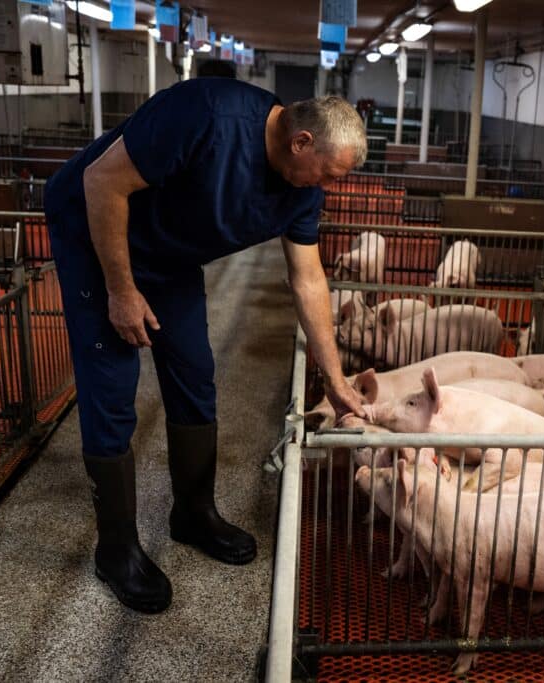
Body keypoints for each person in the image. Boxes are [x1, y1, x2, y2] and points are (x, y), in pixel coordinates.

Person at [44, 78, 366, 613]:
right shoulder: (207, 116)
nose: (328, 186)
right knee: (112, 386)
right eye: (330, 173)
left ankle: (193, 514)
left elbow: (307, 277)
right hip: (96, 233)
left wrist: (333, 378)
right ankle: (116, 550)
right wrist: (121, 292)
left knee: (194, 371)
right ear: (302, 142)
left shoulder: (301, 191)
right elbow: (101, 181)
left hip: (167, 254)